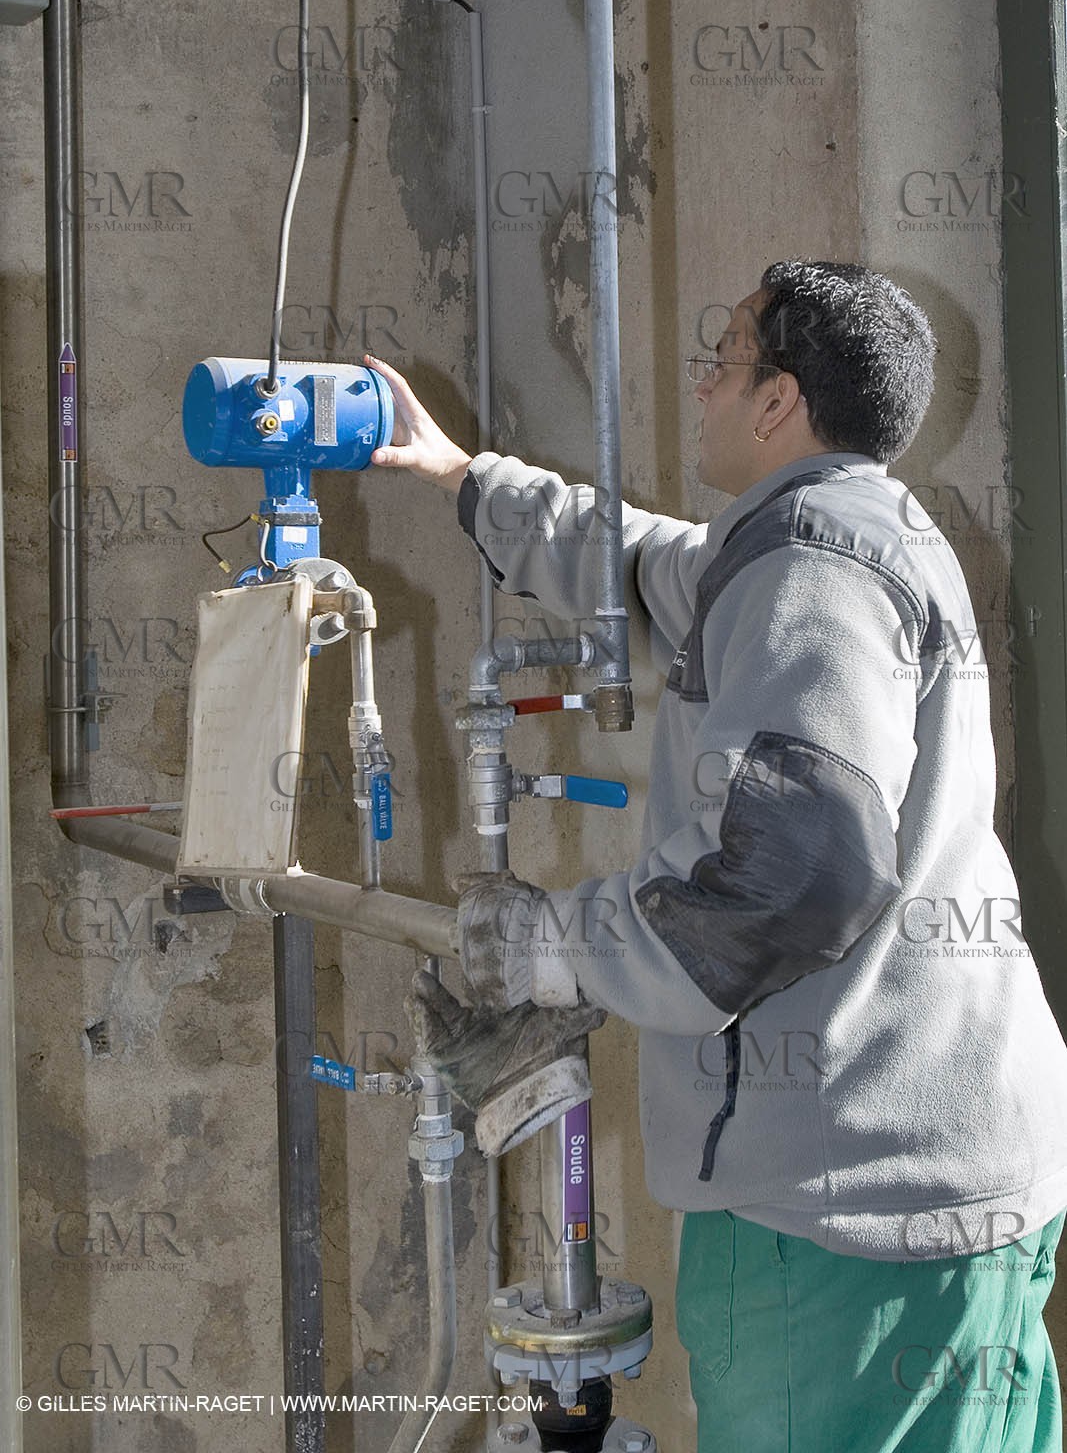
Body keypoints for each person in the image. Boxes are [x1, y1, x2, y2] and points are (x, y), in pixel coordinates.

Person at [370, 261, 1067, 1452]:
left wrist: (553, 949)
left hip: (842, 1216)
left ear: (776, 402)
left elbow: (791, 875)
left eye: (724, 358)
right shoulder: (837, 535)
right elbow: (642, 565)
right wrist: (462, 477)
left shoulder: (814, 568)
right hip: (948, 1175)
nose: (699, 382)